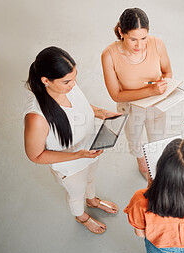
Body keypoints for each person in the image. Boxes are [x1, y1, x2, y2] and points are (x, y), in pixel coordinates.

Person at [24, 46, 120, 234]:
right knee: (76, 193)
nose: (74, 84)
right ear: (46, 81)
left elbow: (82, 105)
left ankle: (92, 200)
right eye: (67, 81)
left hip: (90, 149)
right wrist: (77, 155)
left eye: (75, 78)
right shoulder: (37, 117)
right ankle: (81, 216)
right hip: (70, 166)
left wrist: (101, 113)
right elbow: (35, 155)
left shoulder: (68, 85)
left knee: (91, 178)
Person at [102, 7, 172, 180]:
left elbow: (167, 72)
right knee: (134, 139)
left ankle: (154, 165)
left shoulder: (157, 44)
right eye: (133, 39)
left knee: (156, 140)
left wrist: (163, 86)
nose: (139, 45)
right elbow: (116, 94)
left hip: (156, 104)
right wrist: (150, 90)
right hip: (130, 107)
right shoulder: (109, 55)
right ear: (121, 32)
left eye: (143, 38)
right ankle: (141, 160)